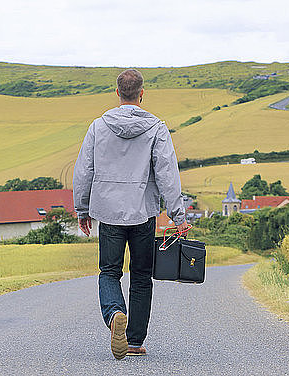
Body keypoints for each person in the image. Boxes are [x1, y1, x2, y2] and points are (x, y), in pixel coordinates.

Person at [73, 69, 188, 360]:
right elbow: (167, 174)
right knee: (140, 277)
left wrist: (82, 209)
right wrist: (178, 215)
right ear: (141, 94)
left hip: (108, 213)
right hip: (143, 214)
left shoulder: (98, 127)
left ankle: (114, 314)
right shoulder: (156, 128)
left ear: (117, 94)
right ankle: (135, 341)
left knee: (109, 272)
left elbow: (84, 170)